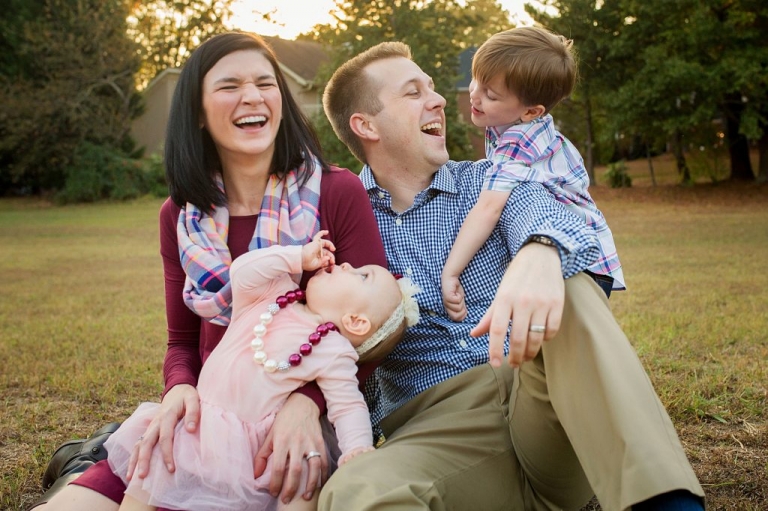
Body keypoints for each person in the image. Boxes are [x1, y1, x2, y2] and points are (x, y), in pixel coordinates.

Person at [320, 41, 706, 510]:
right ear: (365, 125)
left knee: (568, 281)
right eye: (413, 92)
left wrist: (540, 252)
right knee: (354, 490)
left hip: (545, 404)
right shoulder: (340, 228)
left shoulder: (491, 176)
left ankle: (666, 503)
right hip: (440, 434)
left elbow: (563, 224)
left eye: (433, 88)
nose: (438, 100)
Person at [32, 31, 389, 510]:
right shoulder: (180, 217)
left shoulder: (336, 191)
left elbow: (374, 329)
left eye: (265, 83)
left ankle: (91, 452)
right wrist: (179, 387)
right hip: (206, 428)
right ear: (198, 112)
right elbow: (182, 343)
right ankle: (89, 461)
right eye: (229, 86)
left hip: (292, 432)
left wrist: (308, 404)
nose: (252, 96)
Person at [104, 232, 420, 511]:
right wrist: (297, 256)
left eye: (362, 276)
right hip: (198, 424)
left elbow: (348, 405)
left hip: (256, 448)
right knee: (151, 466)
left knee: (301, 480)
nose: (348, 265)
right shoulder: (271, 295)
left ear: (356, 322)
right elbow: (242, 271)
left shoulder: (333, 350)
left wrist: (357, 449)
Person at [442, 26, 624, 322]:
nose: (474, 95)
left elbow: (489, 208)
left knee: (560, 342)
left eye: (490, 95)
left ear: (531, 112)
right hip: (563, 252)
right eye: (476, 80)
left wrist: (451, 272)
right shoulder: (507, 122)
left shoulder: (519, 140)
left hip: (574, 259)